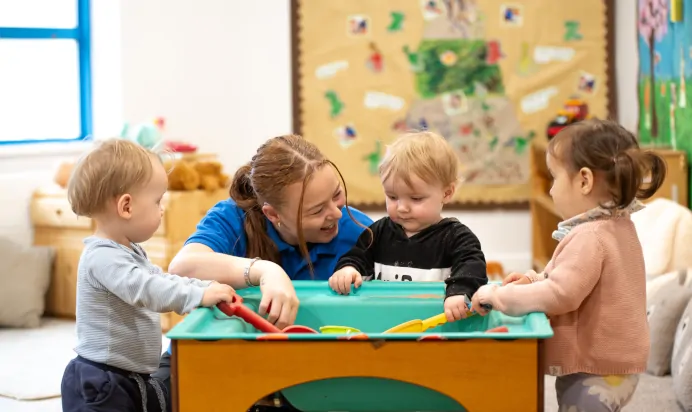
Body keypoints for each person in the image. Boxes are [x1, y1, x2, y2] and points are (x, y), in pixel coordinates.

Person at [153, 134, 373, 406]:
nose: (337, 213)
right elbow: (182, 267)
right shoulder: (233, 218)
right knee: (157, 395)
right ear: (273, 215)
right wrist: (265, 271)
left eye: (337, 195)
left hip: (312, 372)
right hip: (231, 359)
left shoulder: (358, 230)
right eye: (317, 210)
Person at [471, 119, 667, 411]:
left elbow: (560, 294)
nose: (551, 190)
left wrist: (499, 297)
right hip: (613, 365)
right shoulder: (617, 225)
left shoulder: (590, 236)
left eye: (554, 178)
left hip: (595, 369)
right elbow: (572, 280)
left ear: (584, 181)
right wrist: (534, 281)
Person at [60, 139, 236, 412]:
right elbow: (147, 288)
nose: (162, 208)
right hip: (103, 383)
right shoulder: (102, 257)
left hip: (130, 376)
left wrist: (204, 285)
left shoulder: (130, 251)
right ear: (126, 207)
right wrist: (198, 295)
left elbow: (161, 278)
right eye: (157, 201)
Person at [329, 131, 487, 323]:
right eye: (392, 197)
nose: (402, 208)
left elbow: (472, 268)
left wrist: (459, 292)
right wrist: (348, 269)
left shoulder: (456, 237)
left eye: (416, 198)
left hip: (434, 324)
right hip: (384, 322)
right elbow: (357, 257)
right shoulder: (377, 233)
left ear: (447, 193)